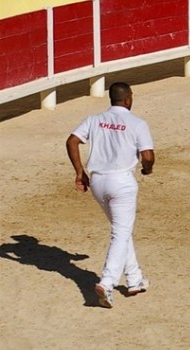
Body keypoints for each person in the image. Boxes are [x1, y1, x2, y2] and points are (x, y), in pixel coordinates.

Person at [65, 82, 155, 309]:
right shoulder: (137, 123)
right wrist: (147, 169)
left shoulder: (94, 119)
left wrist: (79, 172)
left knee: (121, 230)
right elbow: (148, 155)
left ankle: (134, 279)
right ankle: (107, 282)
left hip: (97, 182)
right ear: (128, 99)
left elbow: (72, 141)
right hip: (122, 183)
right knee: (121, 232)